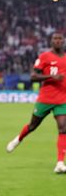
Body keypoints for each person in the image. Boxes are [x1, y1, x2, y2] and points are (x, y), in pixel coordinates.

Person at [6, 32, 66, 174]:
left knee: (63, 128)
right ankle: (18, 139)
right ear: (51, 41)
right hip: (45, 99)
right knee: (33, 126)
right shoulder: (44, 57)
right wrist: (52, 76)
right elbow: (33, 77)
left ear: (63, 41)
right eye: (55, 39)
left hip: (62, 100)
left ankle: (59, 163)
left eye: (60, 39)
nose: (57, 41)